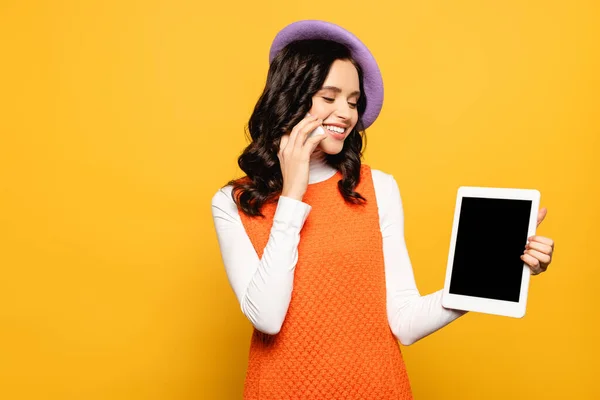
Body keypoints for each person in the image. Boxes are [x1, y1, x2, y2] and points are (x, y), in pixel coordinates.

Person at [211, 20, 555, 400]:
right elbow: (268, 318)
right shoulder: (234, 202)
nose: (346, 112)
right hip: (281, 390)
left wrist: (495, 272)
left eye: (354, 101)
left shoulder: (377, 189)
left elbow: (403, 322)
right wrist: (293, 194)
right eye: (329, 97)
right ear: (291, 96)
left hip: (376, 388)